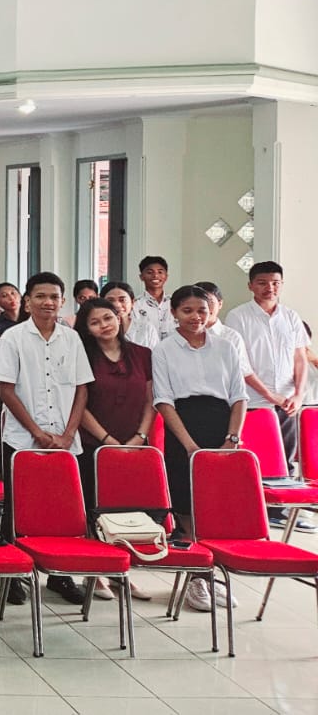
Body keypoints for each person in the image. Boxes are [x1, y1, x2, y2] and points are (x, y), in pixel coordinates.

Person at [0, 272, 94, 606]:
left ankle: (60, 574)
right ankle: (13, 576)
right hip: (23, 441)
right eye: (40, 296)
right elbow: (6, 389)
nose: (47, 302)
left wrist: (68, 435)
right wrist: (37, 432)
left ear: (62, 301)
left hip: (65, 442)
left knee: (61, 511)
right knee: (17, 510)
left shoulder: (72, 339)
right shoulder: (13, 338)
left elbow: (82, 389)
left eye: (54, 297)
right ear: (28, 301)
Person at [153, 285, 248, 612]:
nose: (196, 317)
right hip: (183, 427)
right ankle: (196, 574)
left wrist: (232, 439)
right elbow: (163, 400)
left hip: (221, 426)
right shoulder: (164, 349)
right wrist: (189, 445)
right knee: (186, 502)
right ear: (174, 313)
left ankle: (213, 572)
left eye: (202, 311)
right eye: (188, 311)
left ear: (212, 312)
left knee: (216, 503)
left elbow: (239, 396)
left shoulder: (226, 346)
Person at [74, 296, 157, 602]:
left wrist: (140, 436)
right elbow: (78, 403)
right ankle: (94, 572)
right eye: (95, 322)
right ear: (87, 329)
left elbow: (151, 399)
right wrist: (107, 439)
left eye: (108, 318)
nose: (104, 326)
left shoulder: (142, 354)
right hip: (93, 444)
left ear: (119, 317)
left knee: (126, 511)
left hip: (134, 444)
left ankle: (122, 572)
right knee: (93, 509)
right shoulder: (83, 356)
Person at [223, 261, 309, 477]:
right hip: (253, 402)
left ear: (282, 284)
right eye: (262, 283)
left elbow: (300, 358)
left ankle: (282, 500)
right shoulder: (237, 316)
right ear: (250, 285)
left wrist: (299, 395)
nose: (269, 288)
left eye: (275, 283)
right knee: (255, 461)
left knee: (286, 462)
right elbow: (241, 364)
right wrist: (270, 395)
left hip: (288, 403)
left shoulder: (291, 317)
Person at [102, 281, 158, 348]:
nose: (117, 305)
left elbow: (156, 353)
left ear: (132, 302)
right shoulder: (99, 329)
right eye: (110, 300)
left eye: (122, 300)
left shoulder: (147, 329)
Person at [133, 256, 171, 337]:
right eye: (150, 272)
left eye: (160, 272)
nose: (155, 276)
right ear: (141, 277)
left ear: (166, 276)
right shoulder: (135, 305)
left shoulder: (175, 302)